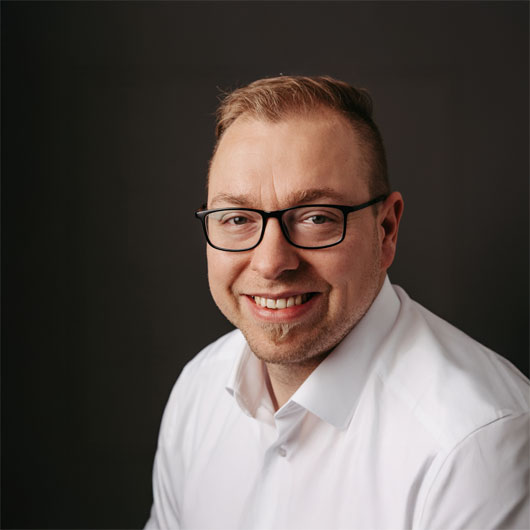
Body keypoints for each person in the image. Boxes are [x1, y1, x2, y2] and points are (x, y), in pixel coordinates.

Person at [145, 75, 529, 529]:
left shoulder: (474, 447)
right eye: (237, 218)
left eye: (315, 218)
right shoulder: (199, 389)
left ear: (386, 231)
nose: (271, 263)